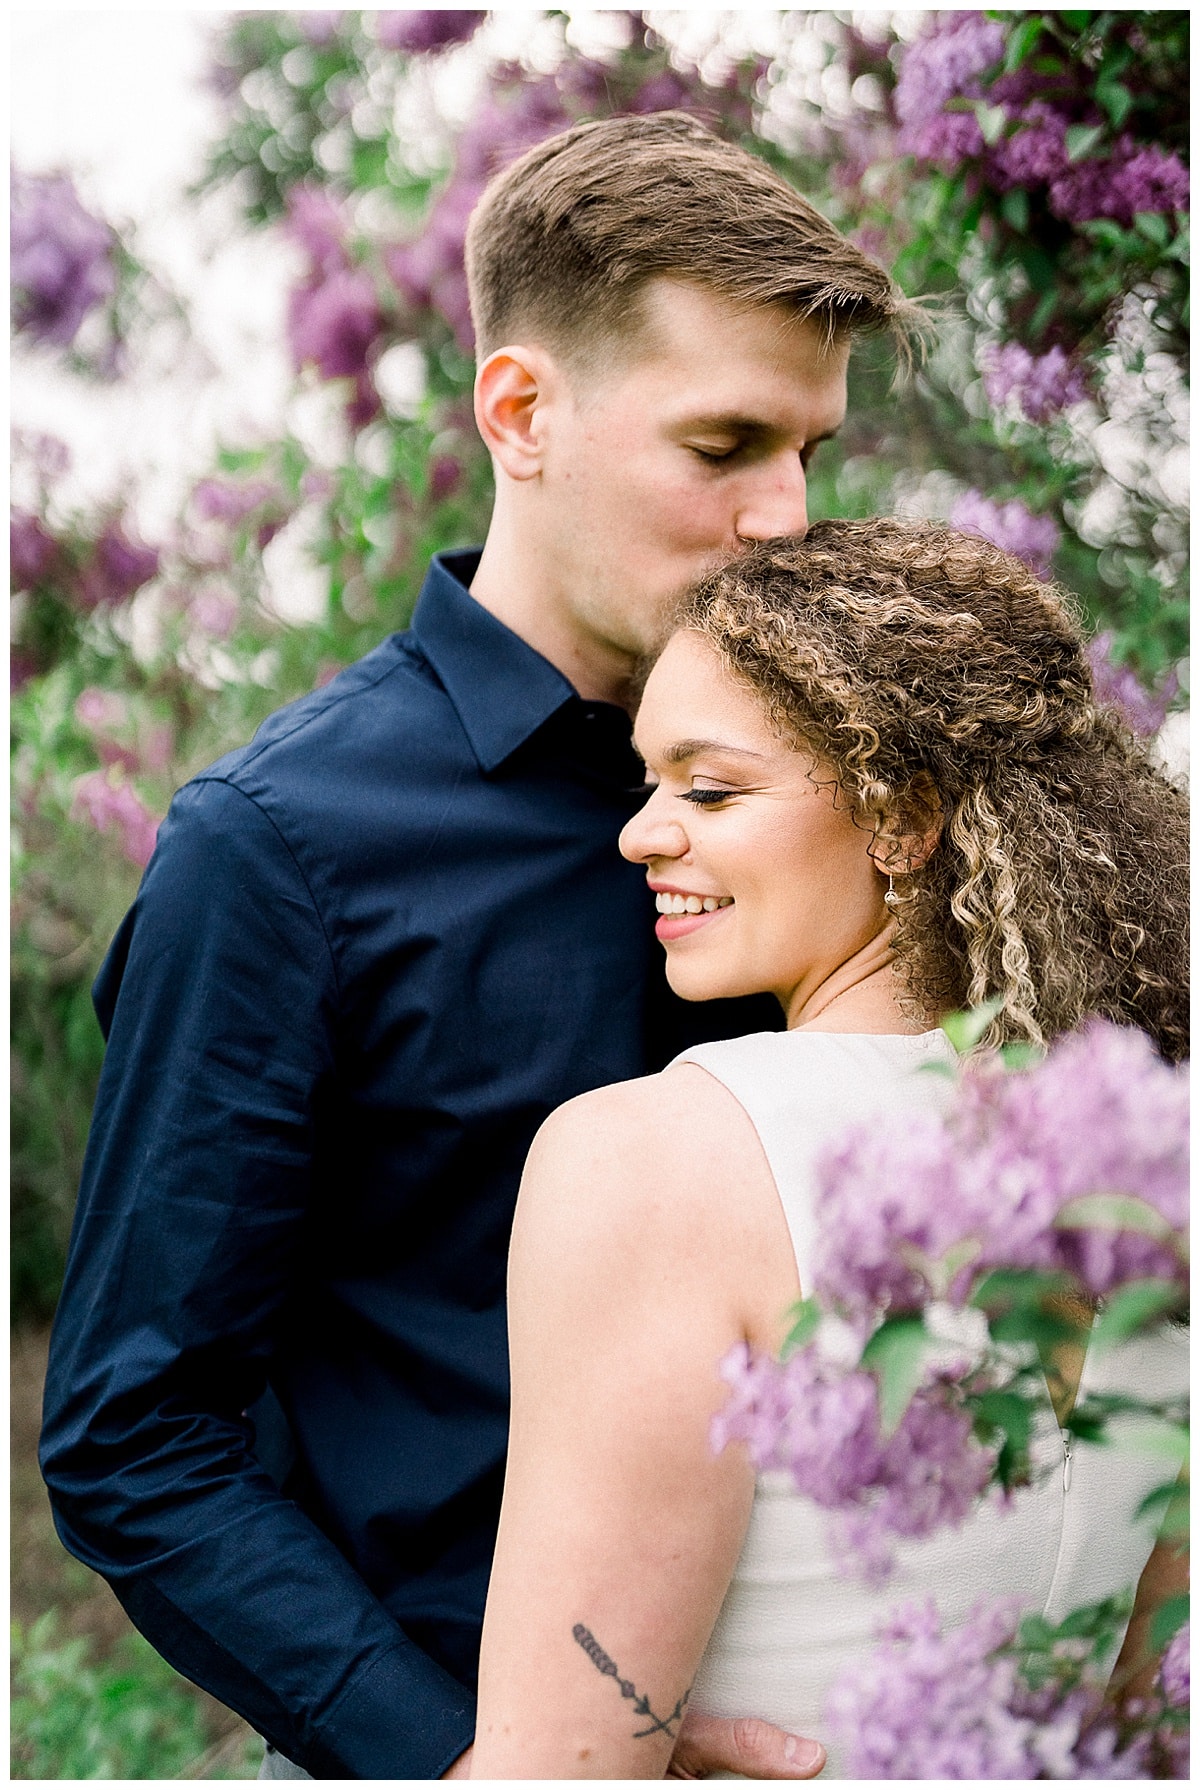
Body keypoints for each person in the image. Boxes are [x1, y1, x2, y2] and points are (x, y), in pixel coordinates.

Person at [39, 113, 917, 1780]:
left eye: (813, 451)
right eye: (725, 444)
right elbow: (133, 1437)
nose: (787, 519)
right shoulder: (278, 852)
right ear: (521, 412)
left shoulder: (854, 792)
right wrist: (474, 1767)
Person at [468, 519, 1189, 1778]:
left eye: (708, 787)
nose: (641, 832)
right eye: (647, 782)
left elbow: (553, 1771)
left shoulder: (656, 1159)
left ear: (902, 817)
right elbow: (1147, 1717)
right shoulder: (1146, 1181)